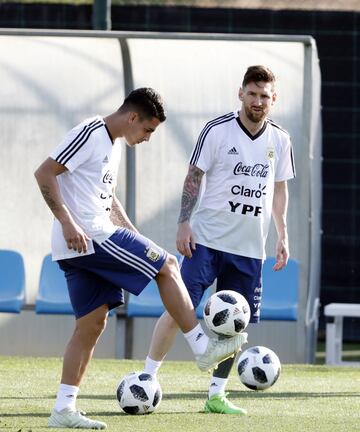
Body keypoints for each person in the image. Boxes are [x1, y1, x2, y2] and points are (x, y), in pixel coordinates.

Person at [34, 87, 247, 429]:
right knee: (169, 266)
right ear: (133, 117)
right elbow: (44, 173)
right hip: (89, 237)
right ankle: (202, 346)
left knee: (90, 325)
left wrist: (134, 234)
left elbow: (108, 198)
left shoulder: (114, 145)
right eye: (148, 130)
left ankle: (63, 408)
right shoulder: (90, 132)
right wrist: (68, 222)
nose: (148, 138)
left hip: (85, 242)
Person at [143, 66, 296, 414]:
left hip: (249, 249)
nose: (258, 101)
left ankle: (216, 394)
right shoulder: (217, 130)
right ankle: (148, 377)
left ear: (274, 99)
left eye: (265, 95)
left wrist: (282, 235)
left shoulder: (281, 140)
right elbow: (193, 177)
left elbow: (279, 188)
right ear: (240, 93)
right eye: (252, 94)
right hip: (206, 242)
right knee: (178, 307)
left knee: (234, 326)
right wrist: (184, 223)